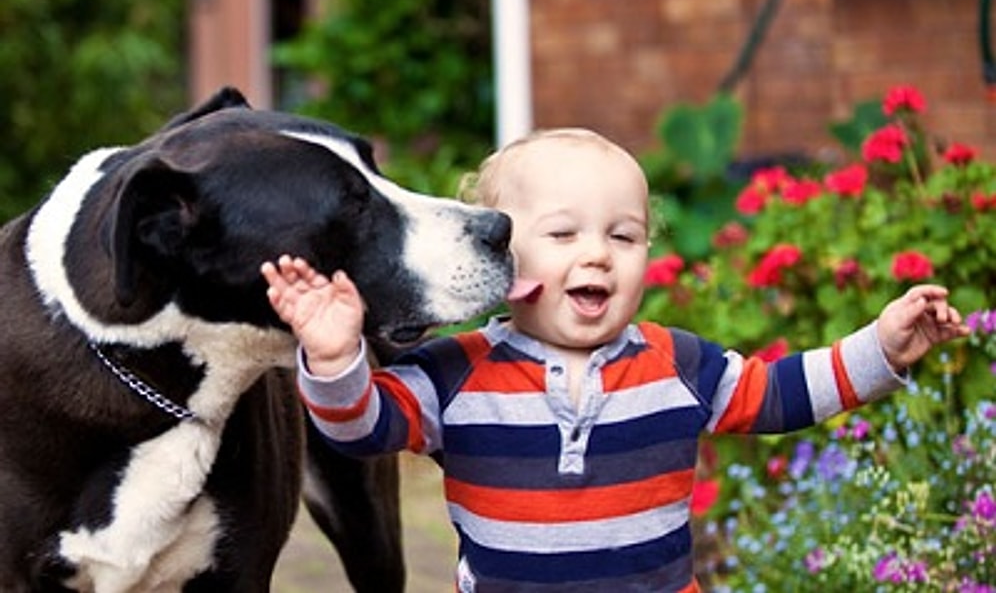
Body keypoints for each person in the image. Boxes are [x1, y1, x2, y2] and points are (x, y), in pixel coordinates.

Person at [261, 128, 969, 592]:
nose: (597, 252)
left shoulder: (679, 365)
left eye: (623, 237)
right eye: (564, 233)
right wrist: (334, 358)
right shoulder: (457, 373)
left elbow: (781, 394)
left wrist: (880, 349)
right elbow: (363, 428)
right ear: (504, 258)